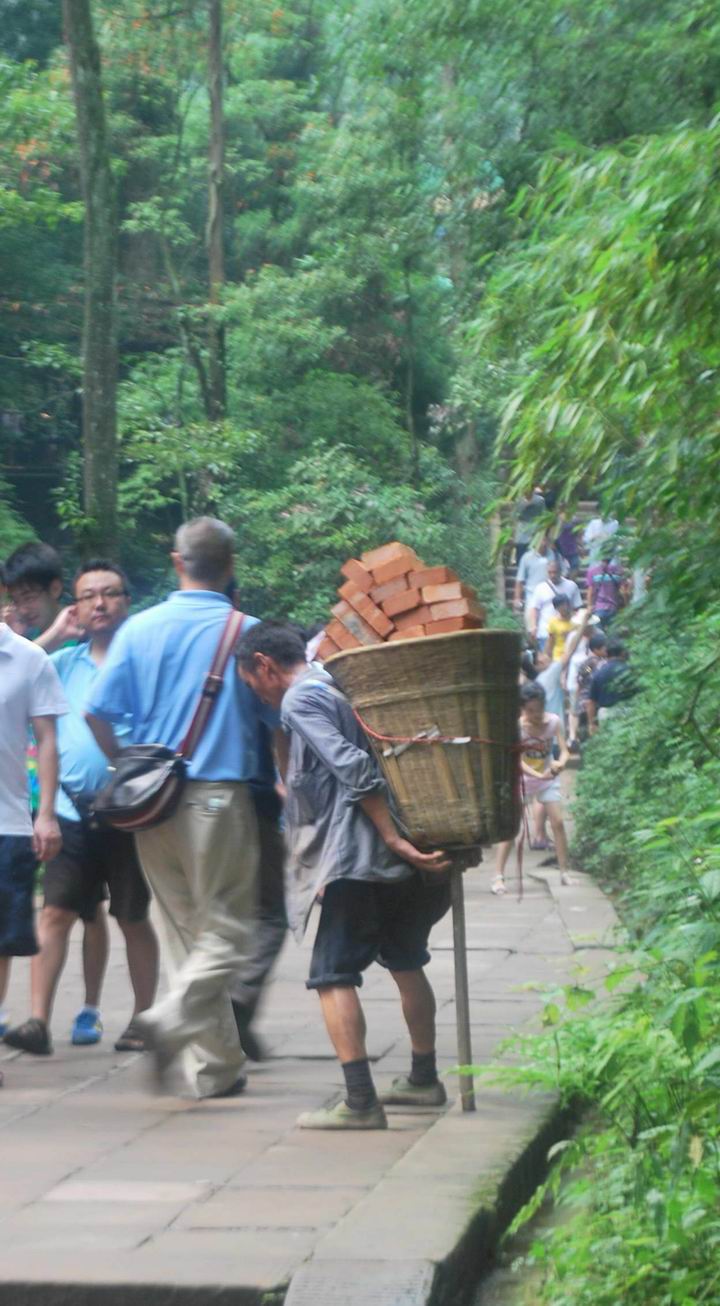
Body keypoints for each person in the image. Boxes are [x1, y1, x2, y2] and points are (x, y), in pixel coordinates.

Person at [85, 518, 278, 1099]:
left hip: (150, 804)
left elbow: (96, 711)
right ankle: (168, 1019)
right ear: (231, 565)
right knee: (230, 931)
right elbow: (276, 715)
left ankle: (215, 1069)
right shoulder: (247, 631)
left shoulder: (139, 629)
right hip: (219, 798)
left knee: (183, 933)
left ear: (177, 561)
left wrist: (125, 765)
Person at [235, 620, 452, 1131]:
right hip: (396, 857)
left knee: (331, 975)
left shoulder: (300, 699)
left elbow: (352, 767)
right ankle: (424, 1079)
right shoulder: (335, 682)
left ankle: (360, 1102)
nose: (258, 695)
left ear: (265, 664)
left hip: (358, 857)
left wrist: (390, 836)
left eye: (252, 684)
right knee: (405, 959)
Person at [4, 561, 159, 1058]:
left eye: (109, 593)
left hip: (130, 811)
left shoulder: (143, 661)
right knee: (54, 912)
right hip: (70, 811)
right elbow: (17, 667)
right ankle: (37, 1020)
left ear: (126, 601)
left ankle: (143, 1018)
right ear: (75, 605)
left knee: (132, 915)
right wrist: (54, 632)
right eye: (88, 596)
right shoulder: (62, 662)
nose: (99, 603)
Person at [4, 542, 110, 1045]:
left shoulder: (80, 638)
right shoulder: (42, 643)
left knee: (94, 911)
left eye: (30, 596)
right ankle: (37, 1018)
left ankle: (88, 1007)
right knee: (57, 910)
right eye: (16, 596)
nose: (23, 606)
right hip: (52, 799)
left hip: (91, 801)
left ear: (54, 590)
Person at [0, 592, 67, 1087]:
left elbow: (46, 739)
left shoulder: (27, 658)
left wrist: (46, 814)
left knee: (0, 942)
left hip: (8, 821)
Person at [492, 682, 571, 894]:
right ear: (522, 709)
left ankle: (564, 871)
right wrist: (537, 775)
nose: (535, 715)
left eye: (539, 709)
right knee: (512, 828)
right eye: (530, 710)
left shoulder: (554, 722)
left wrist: (561, 763)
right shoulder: (518, 728)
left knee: (558, 822)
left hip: (548, 777)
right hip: (523, 780)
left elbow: (564, 751)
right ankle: (498, 876)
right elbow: (517, 760)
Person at [529, 560, 581, 651]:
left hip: (566, 631)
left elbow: (577, 608)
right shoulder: (540, 588)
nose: (552, 575)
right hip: (545, 631)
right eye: (550, 572)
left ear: (561, 572)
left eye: (555, 572)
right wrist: (534, 626)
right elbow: (534, 608)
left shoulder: (572, 586)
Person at [587, 640, 637, 731]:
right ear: (623, 653)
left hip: (606, 714)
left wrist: (591, 724)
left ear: (606, 654)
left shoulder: (598, 673)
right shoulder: (629, 670)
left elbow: (591, 701)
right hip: (628, 712)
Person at [513, 535, 559, 631]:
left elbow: (561, 572)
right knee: (530, 622)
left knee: (550, 622)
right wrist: (517, 598)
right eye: (541, 540)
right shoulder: (527, 557)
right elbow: (520, 580)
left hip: (549, 592)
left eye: (545, 540)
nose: (544, 543)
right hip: (532, 593)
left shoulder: (554, 555)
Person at [576, 631, 608, 739]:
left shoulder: (587, 664)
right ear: (596, 649)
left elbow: (581, 677)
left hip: (583, 702)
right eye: (605, 648)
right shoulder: (598, 663)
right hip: (592, 703)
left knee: (584, 733)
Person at [586, 553, 626, 626]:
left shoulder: (593, 571)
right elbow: (624, 592)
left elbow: (591, 592)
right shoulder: (618, 571)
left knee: (598, 631)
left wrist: (589, 606)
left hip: (598, 608)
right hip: (614, 608)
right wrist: (625, 606)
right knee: (613, 631)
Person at [513, 489, 546, 566]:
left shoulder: (539, 500)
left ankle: (527, 563)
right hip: (524, 525)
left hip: (532, 524)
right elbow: (516, 513)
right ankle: (520, 563)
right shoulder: (520, 500)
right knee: (521, 545)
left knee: (529, 545)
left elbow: (542, 513)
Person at [545, 593, 574, 663]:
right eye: (560, 606)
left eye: (565, 605)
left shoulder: (577, 619)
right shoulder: (553, 621)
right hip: (558, 655)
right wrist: (547, 656)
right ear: (556, 608)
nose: (564, 608)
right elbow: (550, 641)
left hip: (574, 654)